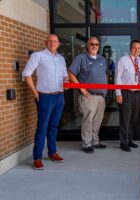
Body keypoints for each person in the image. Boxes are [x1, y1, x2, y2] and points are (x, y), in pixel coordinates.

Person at [22, 34, 68, 170]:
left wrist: (66, 81)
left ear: (58, 44)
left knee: (54, 126)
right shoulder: (38, 55)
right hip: (45, 97)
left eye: (55, 41)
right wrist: (35, 92)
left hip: (59, 97)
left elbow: (65, 75)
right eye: (50, 41)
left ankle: (52, 152)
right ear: (45, 42)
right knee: (42, 127)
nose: (52, 43)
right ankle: (37, 157)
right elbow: (26, 74)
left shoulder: (61, 59)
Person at [68, 37, 108, 153]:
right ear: (87, 45)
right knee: (88, 121)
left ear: (98, 46)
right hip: (88, 96)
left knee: (97, 120)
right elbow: (70, 73)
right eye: (92, 44)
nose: (94, 46)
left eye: (96, 44)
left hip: (101, 96)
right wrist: (81, 87)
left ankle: (95, 142)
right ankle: (86, 144)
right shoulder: (81, 58)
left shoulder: (101, 59)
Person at [115, 40, 140, 152]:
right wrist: (118, 94)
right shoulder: (123, 60)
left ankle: (130, 139)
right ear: (130, 48)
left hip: (137, 93)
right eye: (135, 48)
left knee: (134, 118)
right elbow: (117, 77)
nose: (137, 50)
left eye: (139, 48)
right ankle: (123, 142)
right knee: (125, 118)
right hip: (126, 93)